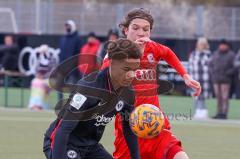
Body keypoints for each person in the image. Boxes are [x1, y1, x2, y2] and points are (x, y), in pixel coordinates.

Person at [102, 8, 201, 159]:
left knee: (180, 156)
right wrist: (136, 55)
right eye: (135, 28)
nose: (141, 33)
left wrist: (185, 75)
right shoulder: (115, 53)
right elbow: (105, 80)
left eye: (146, 29)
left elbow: (167, 53)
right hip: (129, 126)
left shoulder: (152, 47)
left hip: (155, 121)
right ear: (126, 30)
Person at [43, 39, 141, 159]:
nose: (132, 75)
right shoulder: (88, 88)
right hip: (65, 143)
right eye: (127, 69)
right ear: (112, 63)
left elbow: (128, 129)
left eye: (135, 70)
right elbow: (63, 130)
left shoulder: (128, 92)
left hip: (90, 147)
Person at [209, 39, 235, 119]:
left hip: (226, 80)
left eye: (224, 45)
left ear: (227, 46)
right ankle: (219, 112)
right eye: (221, 44)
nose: (222, 46)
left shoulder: (231, 55)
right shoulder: (215, 54)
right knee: (218, 97)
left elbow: (234, 67)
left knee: (225, 97)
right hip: (216, 79)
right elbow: (210, 64)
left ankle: (224, 113)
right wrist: (213, 73)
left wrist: (228, 73)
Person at [188, 37, 211, 119]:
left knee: (203, 96)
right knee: (196, 96)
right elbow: (190, 67)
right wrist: (189, 78)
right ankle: (197, 112)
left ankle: (203, 112)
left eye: (203, 44)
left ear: (205, 45)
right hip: (195, 79)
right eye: (200, 44)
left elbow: (210, 67)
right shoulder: (193, 54)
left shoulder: (208, 54)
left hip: (205, 79)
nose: (201, 46)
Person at [28, 45, 57, 110]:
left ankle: (39, 105)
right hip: (40, 79)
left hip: (49, 80)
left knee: (40, 83)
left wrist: (43, 76)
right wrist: (38, 75)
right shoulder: (39, 60)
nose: (41, 53)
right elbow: (35, 70)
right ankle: (34, 104)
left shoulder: (52, 60)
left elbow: (53, 72)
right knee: (34, 81)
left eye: (43, 52)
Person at [59, 20, 82, 100]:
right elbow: (61, 54)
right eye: (66, 26)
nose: (67, 27)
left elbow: (78, 54)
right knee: (59, 86)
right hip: (63, 67)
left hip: (73, 68)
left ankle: (73, 106)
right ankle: (61, 104)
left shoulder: (77, 39)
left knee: (74, 87)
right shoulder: (63, 39)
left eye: (68, 26)